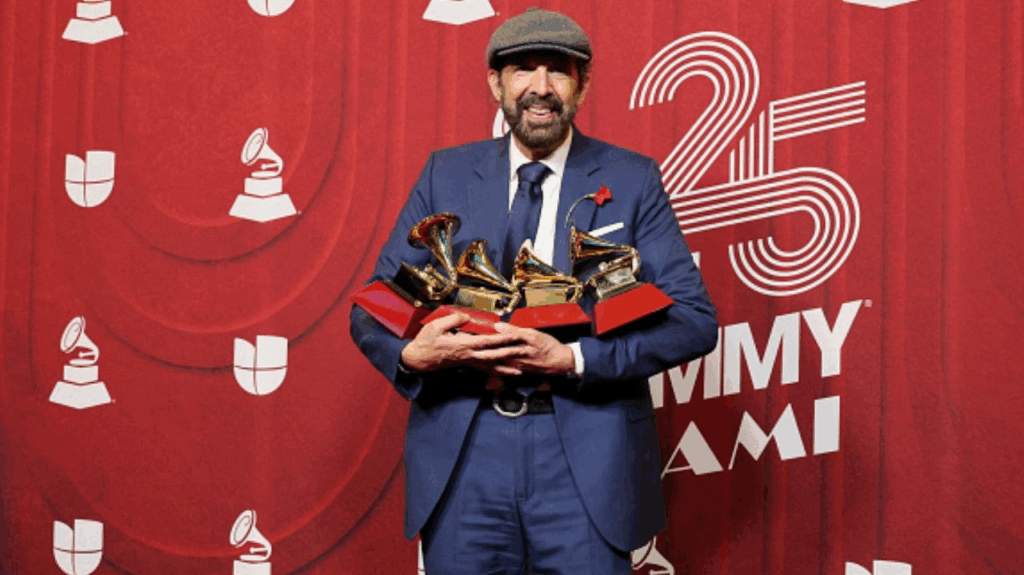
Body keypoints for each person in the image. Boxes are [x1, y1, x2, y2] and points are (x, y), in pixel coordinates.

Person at [350, 7, 718, 575]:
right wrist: (410, 356)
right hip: (465, 453)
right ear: (496, 83)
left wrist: (575, 359)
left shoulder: (632, 178)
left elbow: (693, 321)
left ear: (582, 84)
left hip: (585, 458)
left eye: (558, 71)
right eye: (523, 69)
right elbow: (376, 306)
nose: (540, 88)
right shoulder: (445, 173)